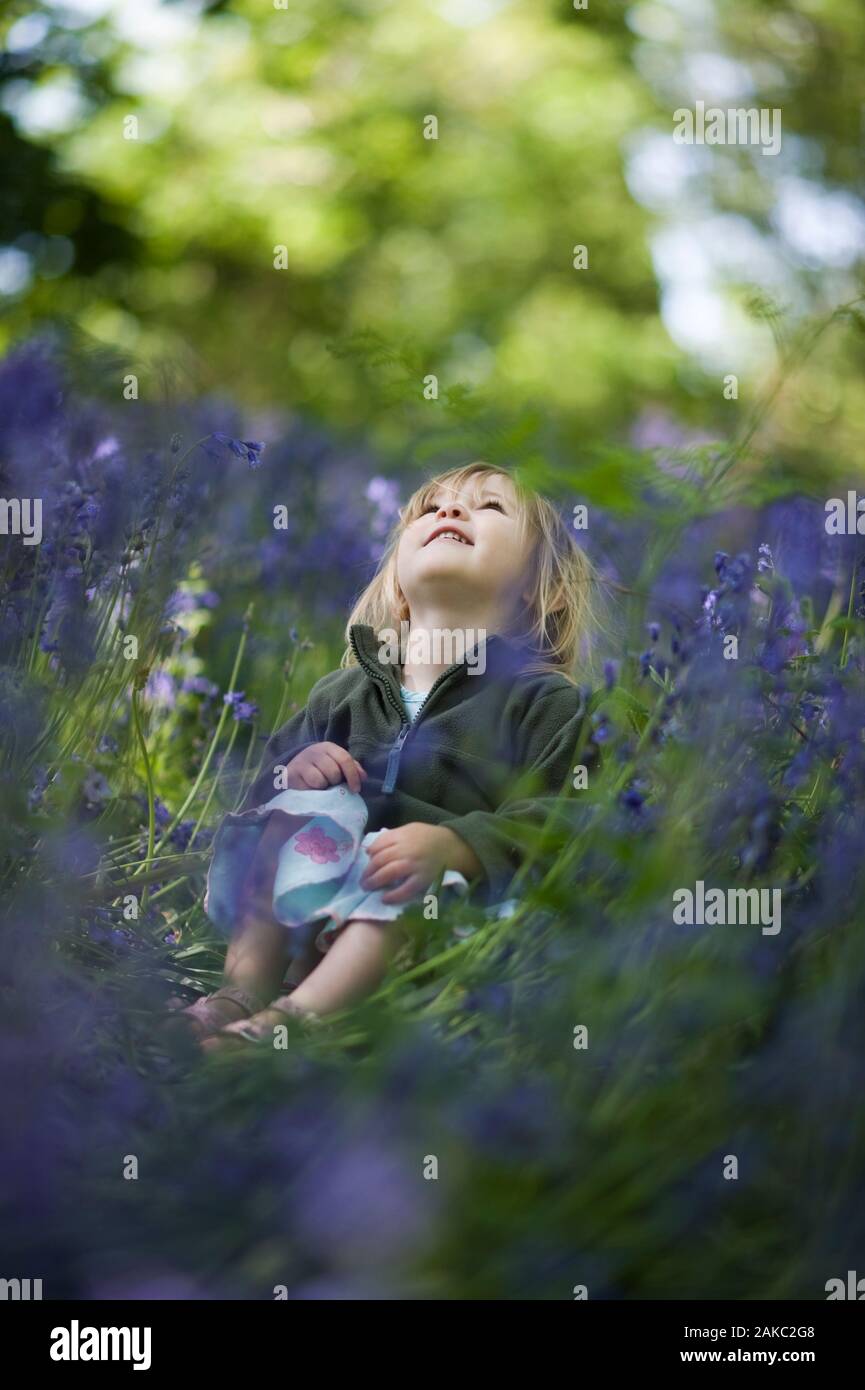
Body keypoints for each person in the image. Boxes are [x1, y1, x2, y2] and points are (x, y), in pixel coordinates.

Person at [178, 461, 598, 1050]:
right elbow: (255, 798)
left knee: (406, 884)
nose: (449, 512)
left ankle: (294, 1022)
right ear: (399, 586)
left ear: (541, 587)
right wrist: (291, 773)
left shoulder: (542, 702)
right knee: (286, 814)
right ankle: (241, 990)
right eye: (431, 508)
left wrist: (460, 846)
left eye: (490, 507)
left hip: (438, 933)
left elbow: (568, 822)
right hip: (313, 907)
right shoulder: (342, 694)